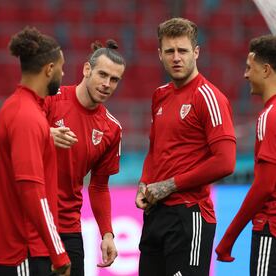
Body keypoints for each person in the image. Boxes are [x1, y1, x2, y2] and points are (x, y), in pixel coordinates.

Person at [135, 17, 236, 276]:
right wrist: (144, 184)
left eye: (183, 50)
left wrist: (170, 184)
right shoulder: (160, 94)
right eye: (169, 51)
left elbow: (225, 162)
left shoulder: (208, 96)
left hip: (190, 214)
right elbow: (154, 149)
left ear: (196, 52)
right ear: (159, 54)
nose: (176, 57)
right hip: (156, 214)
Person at [0, 26, 71, 276]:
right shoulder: (27, 116)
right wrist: (58, 251)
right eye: (62, 67)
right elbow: (31, 189)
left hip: (13, 252)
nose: (63, 74)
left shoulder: (18, 107)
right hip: (24, 252)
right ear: (49, 69)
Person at [44, 39, 125, 275]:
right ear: (86, 69)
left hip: (68, 227)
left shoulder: (111, 129)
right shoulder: (50, 99)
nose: (107, 84)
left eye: (114, 79)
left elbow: (99, 187)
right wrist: (44, 134)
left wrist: (107, 233)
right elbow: (12, 135)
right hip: (30, 221)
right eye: (102, 74)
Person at [216, 34, 276, 275]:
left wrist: (228, 238)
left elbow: (264, 186)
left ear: (266, 70)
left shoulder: (269, 116)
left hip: (270, 229)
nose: (245, 74)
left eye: (249, 68)